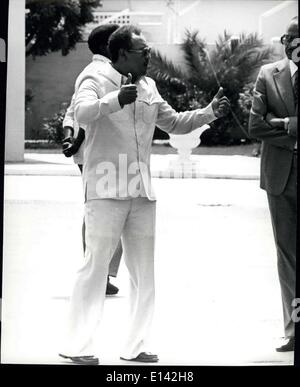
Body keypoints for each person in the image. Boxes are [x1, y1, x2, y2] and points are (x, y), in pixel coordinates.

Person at [59, 24, 230, 365]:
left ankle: (135, 346)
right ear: (122, 54)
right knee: (95, 268)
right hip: (105, 186)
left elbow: (175, 123)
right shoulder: (94, 77)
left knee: (143, 273)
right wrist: (114, 100)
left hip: (141, 190)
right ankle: (79, 346)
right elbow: (81, 113)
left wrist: (210, 111)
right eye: (143, 51)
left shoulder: (149, 86)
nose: (149, 55)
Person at [249, 16, 298, 352]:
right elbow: (255, 125)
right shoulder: (268, 74)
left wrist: (284, 122)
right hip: (281, 178)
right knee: (287, 257)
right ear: (285, 42)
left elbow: (269, 123)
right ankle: (294, 330)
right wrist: (293, 138)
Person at [62, 24, 121, 296]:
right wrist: (73, 136)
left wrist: (69, 136)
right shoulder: (98, 72)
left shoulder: (107, 70)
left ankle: (100, 274)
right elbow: (79, 111)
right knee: (99, 211)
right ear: (107, 45)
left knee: (104, 211)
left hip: (100, 149)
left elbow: (72, 111)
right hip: (95, 150)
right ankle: (96, 275)